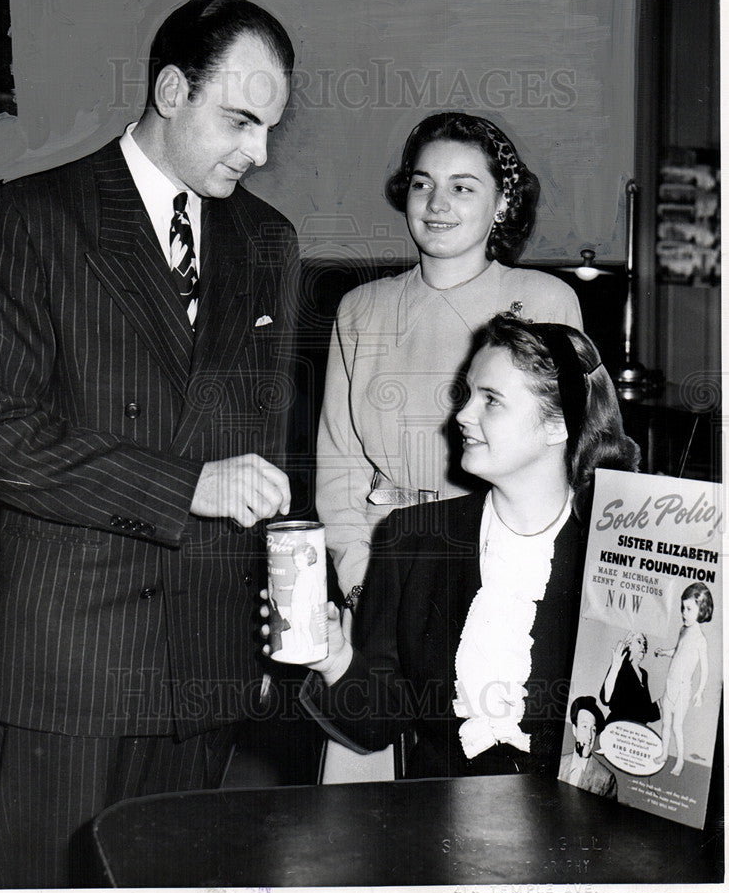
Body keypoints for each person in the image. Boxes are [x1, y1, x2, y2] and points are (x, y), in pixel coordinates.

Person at [0, 0, 298, 887]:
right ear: (172, 89)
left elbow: (264, 444)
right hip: (72, 659)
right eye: (241, 121)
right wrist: (186, 486)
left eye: (272, 127)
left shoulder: (269, 240)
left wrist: (281, 613)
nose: (259, 152)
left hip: (211, 658)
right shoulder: (29, 219)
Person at [279, 314, 639, 779]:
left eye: (491, 401)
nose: (462, 415)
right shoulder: (413, 538)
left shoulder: (615, 554)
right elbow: (377, 726)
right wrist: (335, 660)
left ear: (557, 426)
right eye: (468, 395)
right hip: (436, 831)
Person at [316, 112, 583, 606]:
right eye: (423, 184)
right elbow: (340, 468)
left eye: (462, 188)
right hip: (385, 559)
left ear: (502, 202)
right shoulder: (360, 309)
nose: (436, 204)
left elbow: (573, 457)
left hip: (504, 561)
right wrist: (359, 583)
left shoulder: (546, 301)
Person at [653, 581, 713, 776]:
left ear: (701, 609)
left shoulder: (699, 639)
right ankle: (663, 754)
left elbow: (704, 668)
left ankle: (679, 762)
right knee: (666, 724)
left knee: (677, 726)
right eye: (682, 608)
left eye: (689, 609)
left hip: (682, 689)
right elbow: (677, 651)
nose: (684, 613)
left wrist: (700, 691)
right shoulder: (682, 630)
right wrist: (664, 652)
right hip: (670, 684)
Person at [558, 696, 617, 799]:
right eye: (584, 727)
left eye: (593, 730)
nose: (589, 736)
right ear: (575, 730)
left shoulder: (606, 779)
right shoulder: (559, 763)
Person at [600, 631, 660, 726]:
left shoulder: (644, 674)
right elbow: (606, 699)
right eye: (639, 641)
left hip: (635, 731)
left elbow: (647, 713)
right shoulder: (620, 666)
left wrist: (665, 700)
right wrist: (615, 667)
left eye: (644, 643)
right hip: (617, 728)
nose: (643, 646)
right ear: (629, 645)